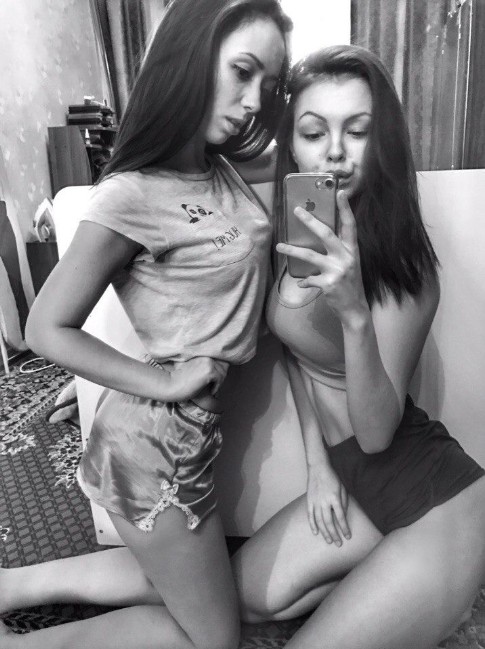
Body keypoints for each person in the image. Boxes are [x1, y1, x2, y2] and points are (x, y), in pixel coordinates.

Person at [0, 1, 290, 648]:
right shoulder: (130, 194)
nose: (252, 102)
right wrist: (161, 382)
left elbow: (287, 161)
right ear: (189, 57)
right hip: (153, 448)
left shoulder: (214, 167)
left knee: (180, 583)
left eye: (267, 85)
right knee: (213, 638)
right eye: (241, 71)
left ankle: (13, 587)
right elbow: (46, 328)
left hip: (186, 437)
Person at [230, 44, 485, 649]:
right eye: (314, 132)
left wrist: (354, 313)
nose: (336, 152)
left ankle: (439, 582)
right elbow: (296, 358)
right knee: (241, 597)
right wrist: (319, 466)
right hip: (355, 484)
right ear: (293, 145)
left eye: (358, 130)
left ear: (382, 141)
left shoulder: (405, 268)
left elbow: (376, 434)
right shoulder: (299, 237)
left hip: (434, 500)